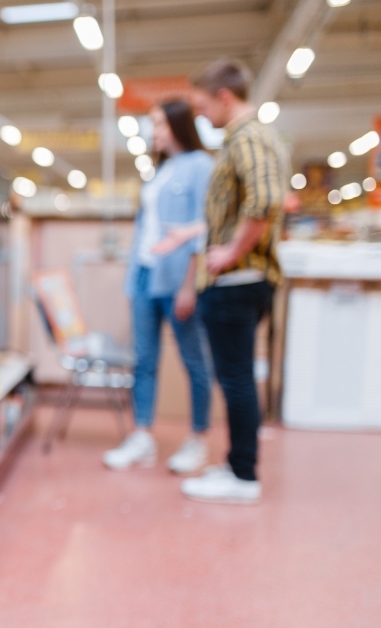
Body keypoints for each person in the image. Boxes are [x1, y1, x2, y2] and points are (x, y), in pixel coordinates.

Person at [178, 58, 287, 504]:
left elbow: (265, 201)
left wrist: (231, 251)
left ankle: (243, 475)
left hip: (236, 281)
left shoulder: (248, 137)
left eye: (203, 106)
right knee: (236, 377)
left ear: (224, 97)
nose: (201, 116)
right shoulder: (245, 139)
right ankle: (238, 464)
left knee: (237, 379)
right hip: (239, 280)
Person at [103, 100, 214, 474]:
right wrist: (131, 281)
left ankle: (198, 438)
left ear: (179, 126)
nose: (154, 132)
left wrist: (189, 286)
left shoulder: (200, 166)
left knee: (194, 361)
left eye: (160, 124)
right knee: (144, 361)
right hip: (144, 276)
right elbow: (145, 230)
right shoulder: (159, 170)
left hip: (177, 278)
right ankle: (142, 435)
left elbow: (204, 228)